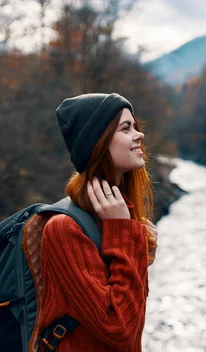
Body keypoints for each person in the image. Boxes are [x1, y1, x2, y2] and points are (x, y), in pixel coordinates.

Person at [38, 92, 158, 351]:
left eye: (134, 126)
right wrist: (124, 235)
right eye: (126, 128)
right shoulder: (63, 229)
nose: (140, 134)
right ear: (98, 143)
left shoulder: (121, 212)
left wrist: (140, 250)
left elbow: (134, 322)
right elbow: (119, 329)